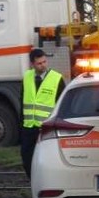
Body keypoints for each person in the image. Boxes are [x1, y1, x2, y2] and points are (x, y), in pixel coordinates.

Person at [21, 49, 65, 178]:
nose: (43, 65)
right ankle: (33, 182)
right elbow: (22, 100)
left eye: (44, 61)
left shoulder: (56, 78)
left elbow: (61, 104)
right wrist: (21, 125)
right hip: (29, 127)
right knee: (27, 157)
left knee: (48, 159)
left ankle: (47, 181)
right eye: (39, 63)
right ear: (32, 64)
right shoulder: (27, 77)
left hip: (46, 128)